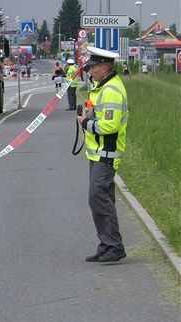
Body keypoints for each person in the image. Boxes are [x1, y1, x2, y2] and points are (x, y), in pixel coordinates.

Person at [76, 46, 128, 263]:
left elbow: (110, 126)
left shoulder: (111, 91)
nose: (89, 71)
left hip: (106, 153)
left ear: (104, 67)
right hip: (98, 153)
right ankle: (107, 245)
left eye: (93, 67)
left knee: (98, 198)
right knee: (101, 198)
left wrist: (87, 123)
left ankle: (114, 246)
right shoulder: (102, 87)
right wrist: (87, 113)